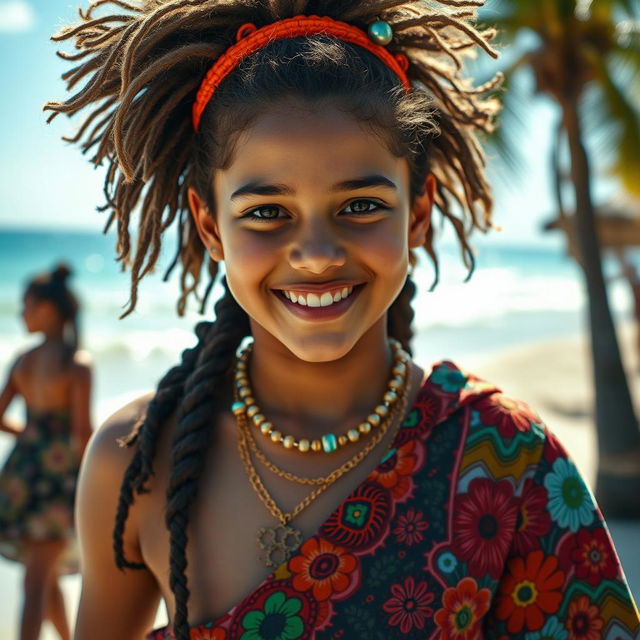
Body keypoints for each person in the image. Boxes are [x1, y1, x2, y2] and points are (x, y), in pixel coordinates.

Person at [46, 1, 640, 639]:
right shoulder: (136, 464)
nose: (319, 255)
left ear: (417, 213)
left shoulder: (505, 462)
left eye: (360, 204)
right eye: (268, 213)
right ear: (210, 224)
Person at [0, 264, 93, 640]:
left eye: (26, 305)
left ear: (47, 309)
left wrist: (31, 435)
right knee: (39, 579)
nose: (21, 313)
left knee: (43, 573)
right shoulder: (76, 364)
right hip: (56, 480)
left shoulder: (25, 360)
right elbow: (82, 433)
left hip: (21, 475)